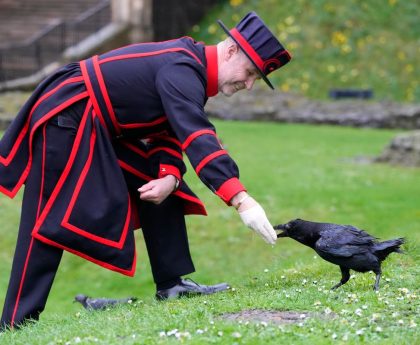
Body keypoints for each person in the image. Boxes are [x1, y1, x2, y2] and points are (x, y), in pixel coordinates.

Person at [0, 11, 291, 330]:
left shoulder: (191, 67)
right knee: (47, 217)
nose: (249, 84)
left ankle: (172, 286)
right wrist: (241, 200)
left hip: (96, 124)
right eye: (250, 72)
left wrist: (169, 174)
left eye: (256, 78)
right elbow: (197, 136)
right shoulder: (183, 68)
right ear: (232, 49)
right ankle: (16, 324)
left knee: (165, 182)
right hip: (66, 116)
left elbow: (167, 130)